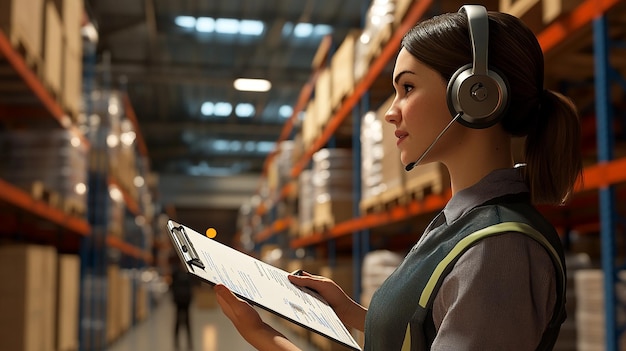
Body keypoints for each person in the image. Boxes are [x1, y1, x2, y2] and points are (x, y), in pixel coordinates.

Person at [214, 5, 582, 350]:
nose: (390, 113)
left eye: (407, 88)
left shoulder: (499, 250)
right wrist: (350, 312)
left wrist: (267, 339)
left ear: (475, 95)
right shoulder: (464, 225)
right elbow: (430, 326)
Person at [170, 257, 194, 350]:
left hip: (186, 300)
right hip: (178, 300)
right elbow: (172, 286)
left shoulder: (189, 273)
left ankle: (189, 342)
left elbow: (191, 287)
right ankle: (176, 342)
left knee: (187, 322)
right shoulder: (175, 273)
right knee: (177, 322)